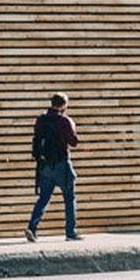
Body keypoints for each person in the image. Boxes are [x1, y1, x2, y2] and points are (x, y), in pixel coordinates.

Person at [27, 92, 81, 242]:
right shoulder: (64, 121)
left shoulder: (41, 120)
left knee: (43, 198)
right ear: (64, 105)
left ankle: (32, 227)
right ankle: (71, 232)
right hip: (62, 165)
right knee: (69, 198)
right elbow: (74, 142)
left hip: (44, 166)